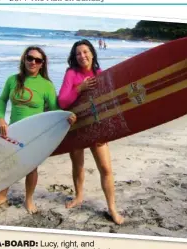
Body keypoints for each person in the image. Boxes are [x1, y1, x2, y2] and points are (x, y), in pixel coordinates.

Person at [0, 46, 77, 214]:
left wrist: (68, 117)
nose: (33, 62)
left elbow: (54, 109)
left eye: (38, 60)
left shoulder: (46, 85)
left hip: (35, 133)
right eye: (30, 58)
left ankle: (28, 199)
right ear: (24, 59)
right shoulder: (12, 80)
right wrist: (1, 118)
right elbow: (2, 100)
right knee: (7, 164)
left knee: (31, 167)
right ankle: (2, 196)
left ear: (42, 64)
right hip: (13, 130)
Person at [58, 39, 124, 225]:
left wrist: (107, 129)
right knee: (78, 165)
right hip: (76, 127)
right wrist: (81, 88)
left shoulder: (100, 74)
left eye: (85, 52)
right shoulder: (71, 73)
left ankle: (112, 208)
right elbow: (63, 101)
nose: (82, 56)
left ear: (92, 53)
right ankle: (79, 196)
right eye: (78, 53)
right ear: (74, 57)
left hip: (96, 128)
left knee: (106, 169)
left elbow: (109, 103)